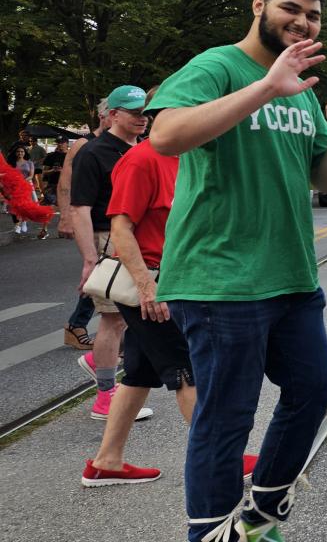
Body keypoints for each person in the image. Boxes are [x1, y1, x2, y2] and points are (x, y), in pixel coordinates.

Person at [147, 0, 327, 542]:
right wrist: (265, 86)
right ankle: (211, 533)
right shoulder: (218, 66)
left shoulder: (300, 91)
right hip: (220, 279)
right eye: (290, 9)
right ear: (259, 6)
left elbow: (324, 179)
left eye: (313, 15)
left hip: (291, 277)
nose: (302, 22)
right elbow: (165, 135)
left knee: (315, 387)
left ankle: (263, 508)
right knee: (226, 419)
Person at [82, 86, 259, 488]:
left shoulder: (195, 156)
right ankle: (223, 460)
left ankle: (106, 461)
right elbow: (121, 227)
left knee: (140, 373)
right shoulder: (142, 160)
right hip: (152, 285)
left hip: (180, 280)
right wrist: (147, 286)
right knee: (187, 370)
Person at [71, 85, 153, 422]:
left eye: (145, 112)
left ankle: (98, 363)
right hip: (111, 240)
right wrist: (90, 258)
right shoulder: (94, 153)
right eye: (134, 112)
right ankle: (105, 396)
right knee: (114, 319)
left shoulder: (147, 147)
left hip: (143, 239)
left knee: (140, 316)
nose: (142, 119)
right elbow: (80, 209)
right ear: (112, 115)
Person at [61, 100, 111, 350]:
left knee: (103, 278)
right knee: (98, 275)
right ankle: (77, 324)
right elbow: (66, 182)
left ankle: (79, 324)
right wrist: (65, 216)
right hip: (92, 220)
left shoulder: (124, 142)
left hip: (113, 221)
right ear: (104, 115)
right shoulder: (85, 144)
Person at [10, 146, 34, 234]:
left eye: (22, 151)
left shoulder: (29, 163)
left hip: (25, 186)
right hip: (14, 187)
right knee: (14, 206)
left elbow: (31, 175)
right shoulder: (12, 163)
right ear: (15, 153)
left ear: (25, 153)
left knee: (24, 206)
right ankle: (17, 224)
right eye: (18, 151)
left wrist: (22, 181)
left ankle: (24, 222)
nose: (20, 153)